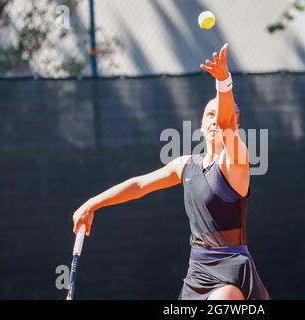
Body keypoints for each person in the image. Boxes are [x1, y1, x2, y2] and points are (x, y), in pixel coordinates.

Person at [72, 43, 270, 300]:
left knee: (226, 298)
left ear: (235, 123)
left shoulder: (236, 162)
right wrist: (92, 204)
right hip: (198, 271)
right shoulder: (185, 165)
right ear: (200, 124)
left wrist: (223, 80)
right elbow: (139, 186)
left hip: (232, 271)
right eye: (208, 115)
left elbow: (225, 124)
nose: (214, 120)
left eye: (220, 115)